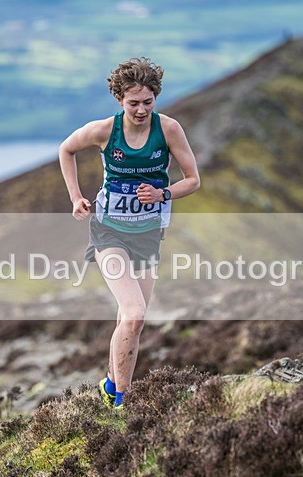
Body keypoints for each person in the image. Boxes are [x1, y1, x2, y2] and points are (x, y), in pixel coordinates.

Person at [59, 57, 201, 409]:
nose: (140, 109)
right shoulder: (104, 131)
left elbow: (193, 180)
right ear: (119, 99)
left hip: (149, 233)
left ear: (156, 97)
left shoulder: (168, 130)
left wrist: (161, 194)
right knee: (134, 312)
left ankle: (111, 385)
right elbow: (66, 149)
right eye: (133, 102)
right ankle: (122, 400)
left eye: (147, 102)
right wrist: (76, 197)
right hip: (109, 232)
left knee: (131, 320)